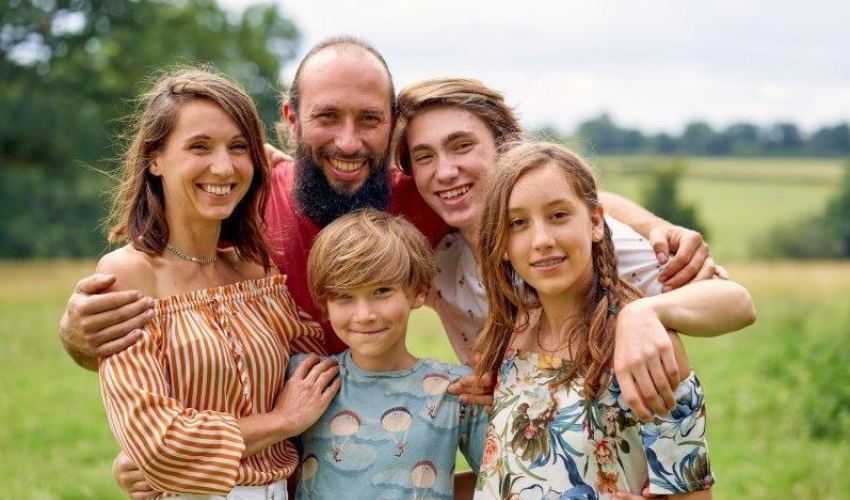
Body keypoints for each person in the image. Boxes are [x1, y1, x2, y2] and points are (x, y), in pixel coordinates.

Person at [59, 36, 714, 421]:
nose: (349, 141)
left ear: (391, 125)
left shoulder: (422, 197)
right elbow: (149, 293)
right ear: (290, 117)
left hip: (371, 427)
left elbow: (536, 189)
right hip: (265, 441)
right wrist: (78, 335)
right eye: (328, 117)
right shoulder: (241, 200)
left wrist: (650, 223)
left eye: (370, 120)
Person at [393, 78, 731, 420]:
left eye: (463, 146)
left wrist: (644, 312)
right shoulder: (441, 266)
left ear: (504, 148)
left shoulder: (576, 244)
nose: (446, 171)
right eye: (424, 157)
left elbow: (732, 301)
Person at [94, 67, 340, 498]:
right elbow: (160, 443)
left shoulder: (256, 271)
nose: (224, 166)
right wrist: (283, 421)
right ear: (155, 158)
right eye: (199, 147)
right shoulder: (127, 275)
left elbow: (320, 371)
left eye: (239, 147)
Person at [471, 142, 756, 499]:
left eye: (559, 215)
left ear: (594, 221)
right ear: (502, 243)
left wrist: (643, 311)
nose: (542, 240)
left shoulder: (644, 345)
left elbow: (692, 493)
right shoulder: (513, 333)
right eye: (518, 223)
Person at [289, 209, 487, 499]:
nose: (364, 315)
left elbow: (502, 478)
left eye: (381, 291)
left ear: (417, 292)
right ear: (325, 303)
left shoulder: (458, 390)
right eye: (344, 296)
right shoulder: (307, 379)